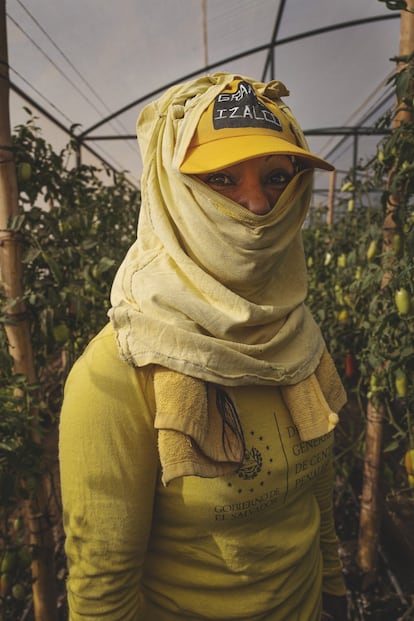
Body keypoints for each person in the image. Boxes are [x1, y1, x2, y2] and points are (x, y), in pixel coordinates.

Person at [59, 73, 349, 621]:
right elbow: (103, 593)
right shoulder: (120, 372)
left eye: (277, 176)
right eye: (220, 177)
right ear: (172, 189)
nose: (259, 204)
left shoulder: (295, 333)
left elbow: (317, 498)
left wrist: (333, 589)